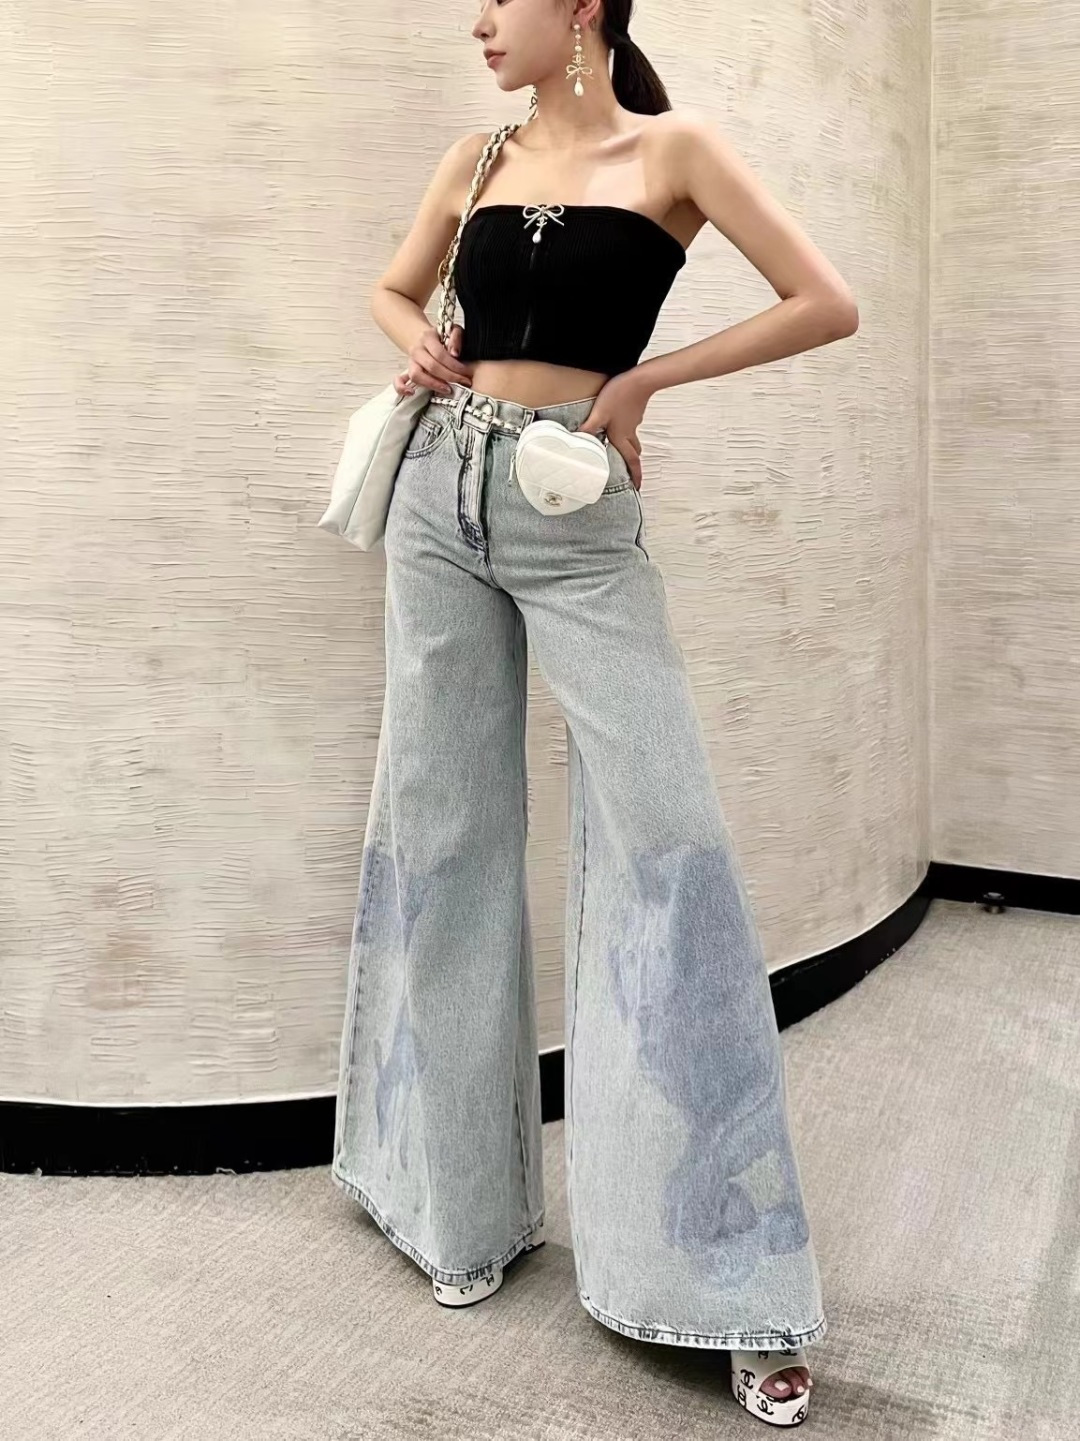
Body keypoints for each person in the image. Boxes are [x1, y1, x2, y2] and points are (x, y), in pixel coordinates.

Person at [331, 0, 857, 1427]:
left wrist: (642, 383)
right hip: (439, 497)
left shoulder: (673, 150)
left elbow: (825, 300)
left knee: (669, 852)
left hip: (573, 507)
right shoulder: (477, 157)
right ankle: (454, 1207)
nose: (477, 20)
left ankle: (732, 1279)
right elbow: (390, 289)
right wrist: (421, 348)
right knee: (443, 836)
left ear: (582, 6)